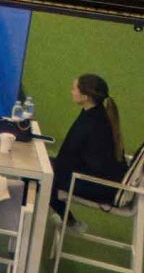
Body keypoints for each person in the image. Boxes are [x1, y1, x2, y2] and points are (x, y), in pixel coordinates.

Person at [52, 74, 128, 211]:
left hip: (99, 186)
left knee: (44, 177)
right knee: (49, 171)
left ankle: (67, 220)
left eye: (74, 89)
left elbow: (70, 155)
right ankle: (66, 219)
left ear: (85, 97)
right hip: (102, 181)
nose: (71, 92)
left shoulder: (92, 123)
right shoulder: (96, 115)